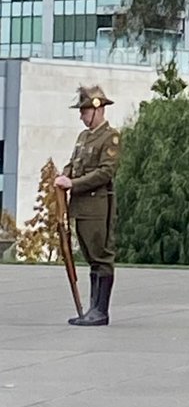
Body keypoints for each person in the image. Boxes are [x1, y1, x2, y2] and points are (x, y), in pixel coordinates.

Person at [55, 84, 121, 328]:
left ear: (98, 109)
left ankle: (100, 311)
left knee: (101, 256)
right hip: (80, 205)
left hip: (96, 204)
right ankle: (93, 309)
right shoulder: (83, 137)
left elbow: (105, 173)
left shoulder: (110, 136)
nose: (81, 116)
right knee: (91, 257)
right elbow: (74, 163)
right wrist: (64, 176)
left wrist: (72, 182)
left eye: (84, 111)